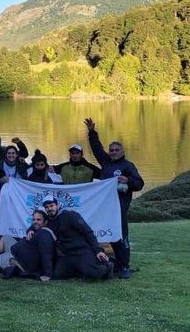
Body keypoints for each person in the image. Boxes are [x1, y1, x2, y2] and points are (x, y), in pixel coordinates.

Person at [85, 118, 144, 279]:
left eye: (116, 150)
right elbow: (97, 149)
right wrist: (92, 132)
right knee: (108, 235)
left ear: (123, 151)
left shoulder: (128, 166)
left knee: (121, 236)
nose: (113, 152)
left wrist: (128, 181)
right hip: (105, 208)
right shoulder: (106, 162)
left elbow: (140, 184)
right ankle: (115, 263)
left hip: (120, 207)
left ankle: (124, 266)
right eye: (111, 150)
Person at [43, 196, 112, 281]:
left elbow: (88, 232)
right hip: (67, 254)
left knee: (92, 273)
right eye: (46, 207)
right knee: (57, 274)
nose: (49, 209)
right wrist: (31, 230)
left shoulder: (71, 215)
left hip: (82, 251)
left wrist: (98, 251)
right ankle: (79, 269)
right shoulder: (49, 221)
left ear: (57, 205)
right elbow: (37, 224)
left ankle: (107, 267)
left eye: (51, 205)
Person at [0, 210, 52, 279]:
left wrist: (47, 274)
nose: (35, 222)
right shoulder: (38, 229)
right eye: (34, 219)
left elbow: (46, 254)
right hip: (17, 250)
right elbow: (33, 226)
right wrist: (31, 230)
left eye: (38, 220)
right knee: (6, 238)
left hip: (16, 259)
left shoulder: (44, 235)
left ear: (45, 222)